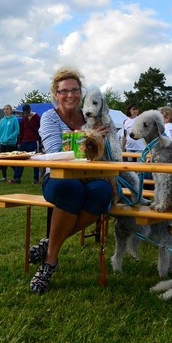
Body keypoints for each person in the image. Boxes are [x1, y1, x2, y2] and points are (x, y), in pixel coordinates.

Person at [29, 67, 113, 294]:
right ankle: (50, 261)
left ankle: (49, 243)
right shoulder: (49, 117)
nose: (70, 95)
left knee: (103, 193)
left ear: (81, 92)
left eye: (74, 90)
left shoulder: (91, 116)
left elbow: (109, 148)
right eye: (64, 91)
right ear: (55, 94)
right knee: (70, 188)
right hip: (58, 177)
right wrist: (89, 137)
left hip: (93, 176)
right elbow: (57, 153)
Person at [10, 104, 41, 184]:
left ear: (30, 110)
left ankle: (36, 178)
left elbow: (39, 129)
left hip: (34, 140)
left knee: (35, 160)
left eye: (27, 112)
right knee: (20, 158)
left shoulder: (36, 117)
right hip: (24, 141)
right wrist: (20, 142)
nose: (26, 114)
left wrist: (40, 141)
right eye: (24, 112)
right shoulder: (24, 118)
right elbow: (22, 131)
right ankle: (17, 178)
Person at [0, 104, 20, 181]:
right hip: (3, 143)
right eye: (4, 109)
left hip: (11, 143)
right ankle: (4, 177)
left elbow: (17, 130)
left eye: (7, 109)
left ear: (11, 110)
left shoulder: (14, 119)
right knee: (3, 161)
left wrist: (10, 137)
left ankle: (17, 176)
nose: (6, 111)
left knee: (12, 161)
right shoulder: (2, 120)